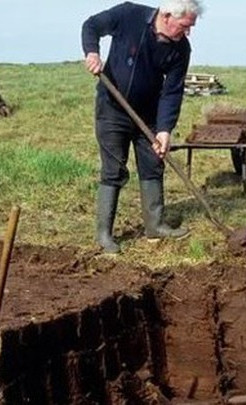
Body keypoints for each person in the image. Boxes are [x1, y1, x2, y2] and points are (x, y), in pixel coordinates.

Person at [81, 0, 204, 253]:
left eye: (191, 27)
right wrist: (92, 52)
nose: (188, 32)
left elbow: (172, 91)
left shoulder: (181, 49)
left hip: (148, 116)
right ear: (167, 16)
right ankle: (104, 235)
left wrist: (164, 129)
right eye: (185, 26)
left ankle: (155, 226)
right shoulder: (128, 15)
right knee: (113, 169)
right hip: (112, 109)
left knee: (153, 165)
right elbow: (91, 25)